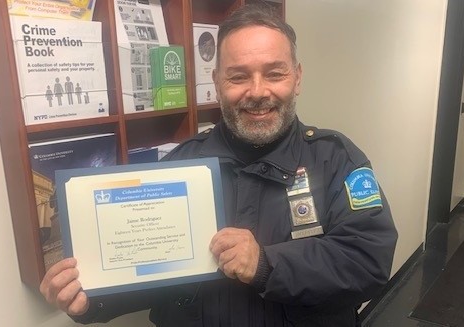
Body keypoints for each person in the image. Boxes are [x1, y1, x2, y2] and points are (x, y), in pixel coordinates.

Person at [40, 4, 398, 326]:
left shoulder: (336, 159)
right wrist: (89, 299)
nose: (257, 91)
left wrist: (266, 264)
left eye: (274, 73)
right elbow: (149, 274)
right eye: (238, 76)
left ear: (298, 78)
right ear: (216, 83)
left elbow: (367, 261)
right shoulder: (181, 165)